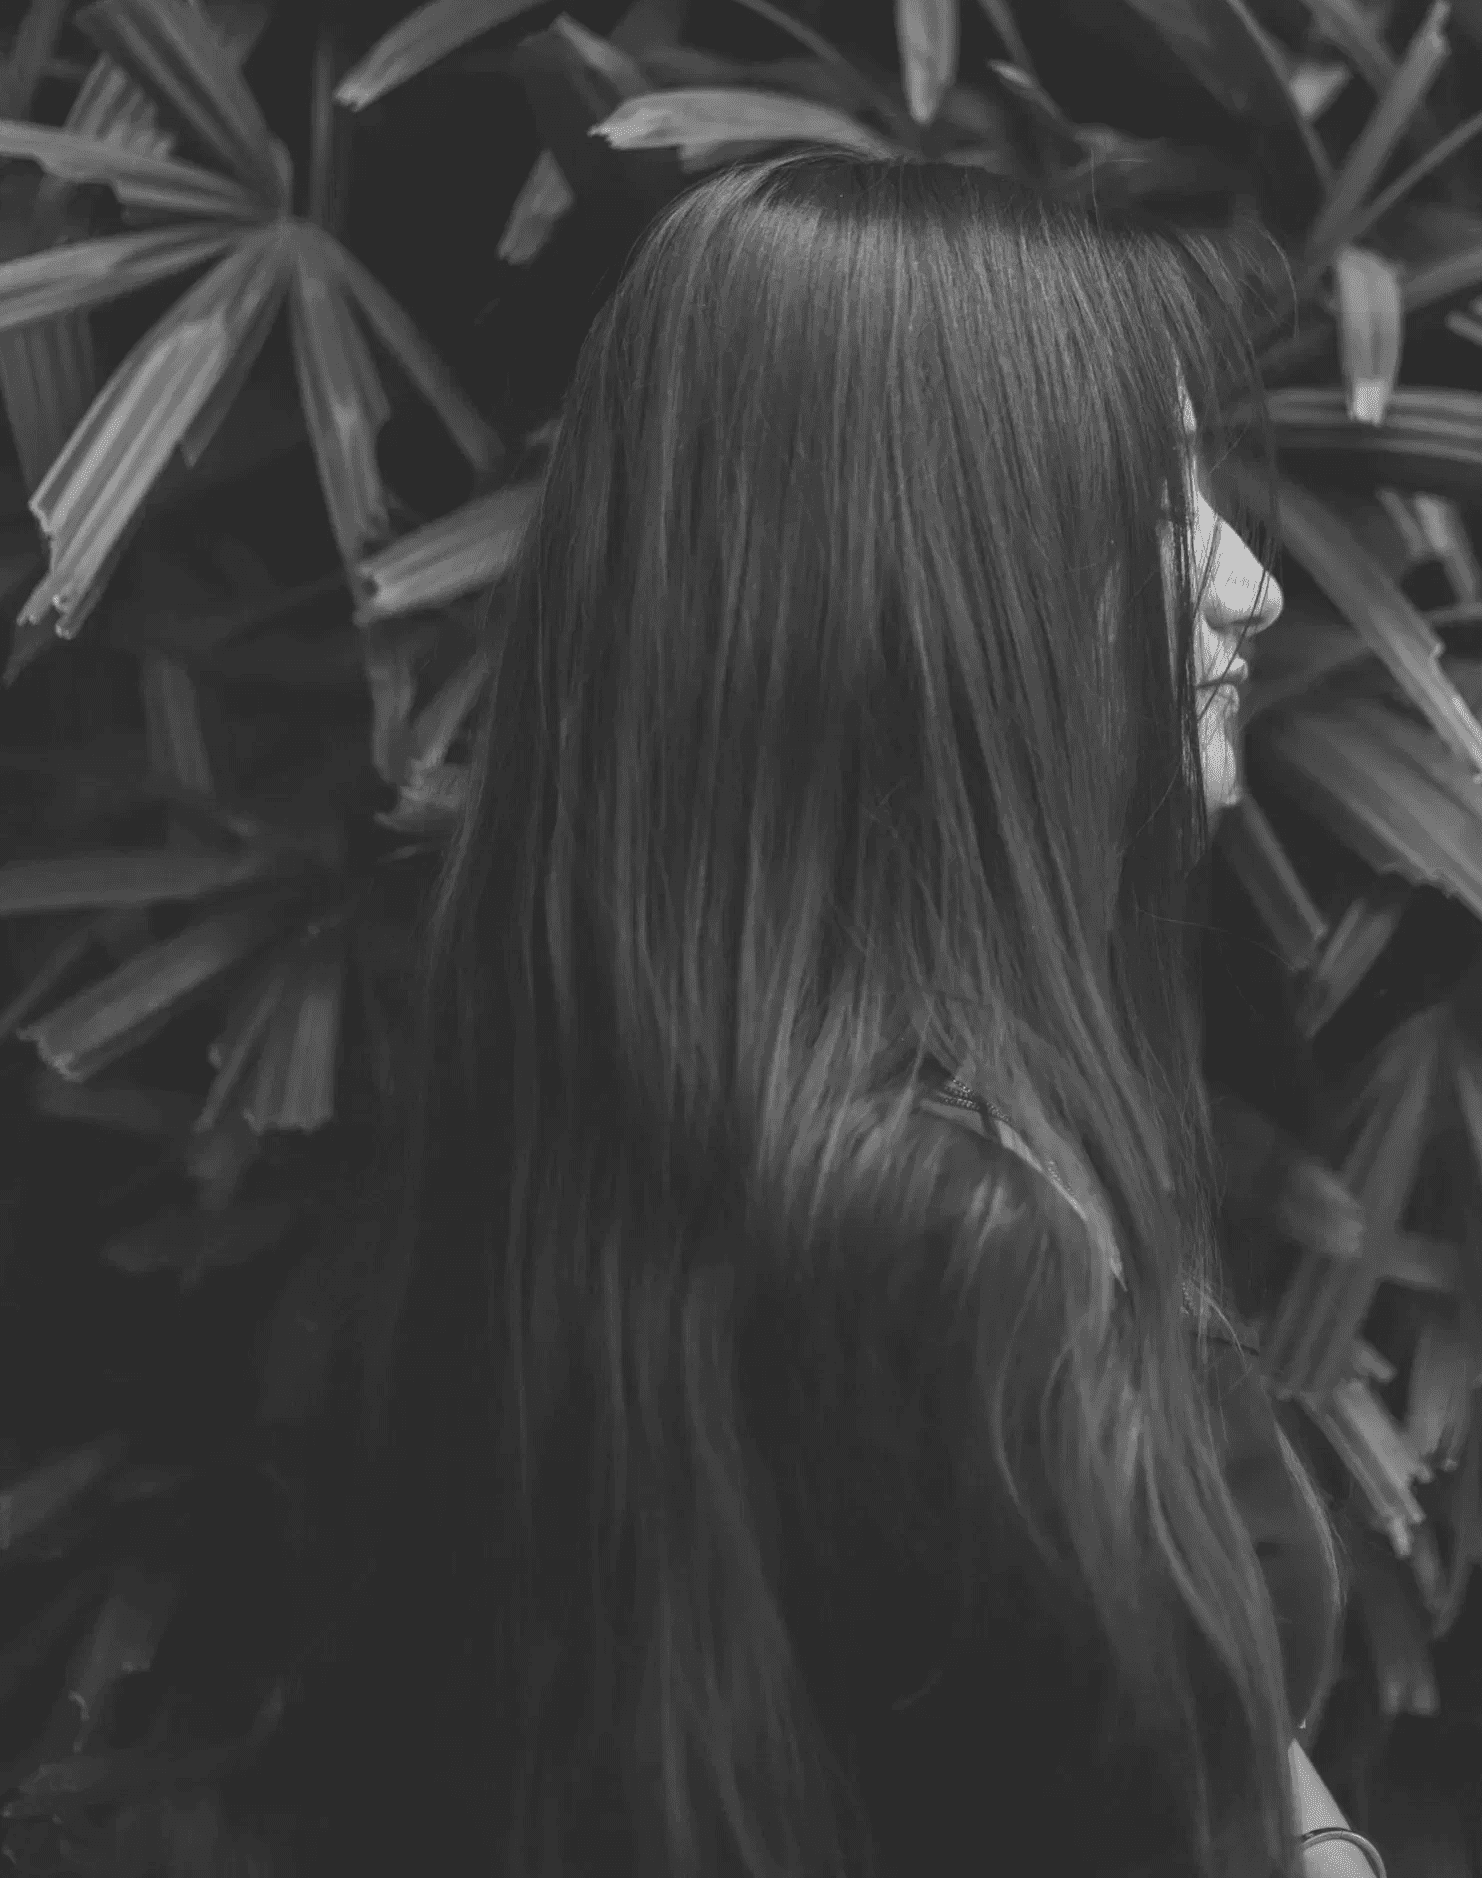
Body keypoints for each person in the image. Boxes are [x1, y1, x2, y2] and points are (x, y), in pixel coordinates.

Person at [261, 149, 1370, 1878]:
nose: (1250, 586)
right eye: (1162, 507)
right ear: (938, 579)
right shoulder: (956, 1251)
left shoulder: (573, 1148)